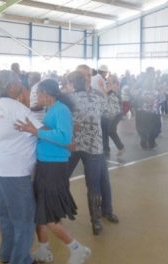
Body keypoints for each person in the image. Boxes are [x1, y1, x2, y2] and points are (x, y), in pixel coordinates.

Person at [16, 79, 91, 264]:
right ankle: (44, 250)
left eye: (38, 93)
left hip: (53, 167)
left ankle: (77, 249)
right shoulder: (52, 109)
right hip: (45, 165)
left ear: (47, 94)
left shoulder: (61, 110)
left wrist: (37, 132)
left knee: (48, 216)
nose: (37, 96)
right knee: (41, 212)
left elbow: (65, 137)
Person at [0, 70, 42, 264]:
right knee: (25, 219)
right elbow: (40, 131)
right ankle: (21, 260)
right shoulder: (18, 109)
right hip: (14, 171)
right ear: (10, 87)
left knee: (6, 214)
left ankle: (7, 254)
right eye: (18, 81)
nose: (21, 83)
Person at [66, 68, 119, 236]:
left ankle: (55, 213)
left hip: (74, 145)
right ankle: (95, 221)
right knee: (93, 184)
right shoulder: (97, 96)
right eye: (86, 76)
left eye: (89, 75)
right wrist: (110, 93)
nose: (89, 79)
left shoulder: (68, 98)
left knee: (63, 178)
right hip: (92, 146)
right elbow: (111, 112)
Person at [104, 75, 125, 155]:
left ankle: (121, 147)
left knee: (111, 131)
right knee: (110, 131)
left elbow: (105, 94)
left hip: (117, 113)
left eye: (110, 80)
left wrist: (103, 88)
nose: (108, 81)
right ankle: (120, 147)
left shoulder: (115, 87)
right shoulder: (109, 87)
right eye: (108, 80)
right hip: (112, 113)